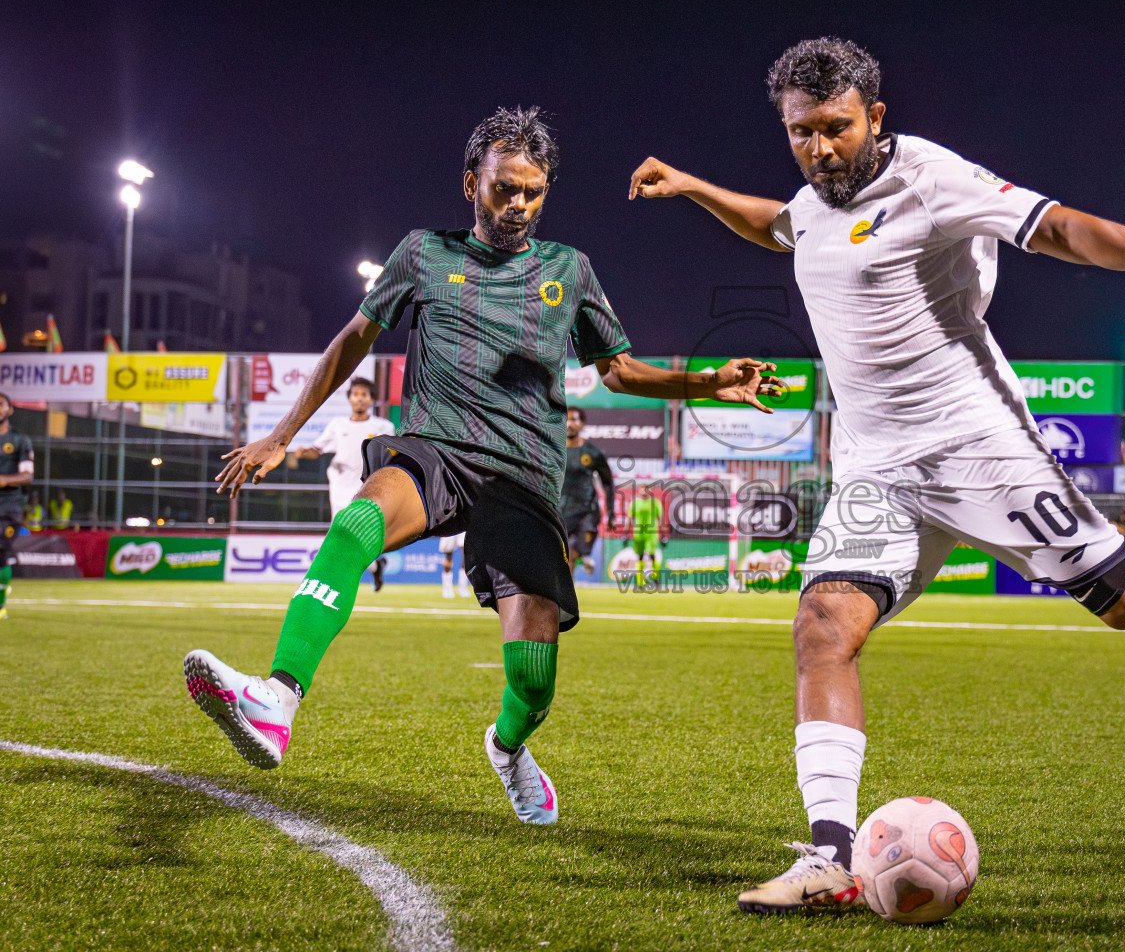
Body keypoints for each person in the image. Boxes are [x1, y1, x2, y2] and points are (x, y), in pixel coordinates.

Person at [629, 36, 1125, 912]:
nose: (820, 150)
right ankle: (829, 858)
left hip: (977, 447)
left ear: (875, 117)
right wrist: (695, 187)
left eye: (836, 129)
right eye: (800, 133)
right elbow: (778, 225)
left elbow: (1060, 229)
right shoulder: (813, 203)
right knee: (822, 626)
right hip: (875, 469)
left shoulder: (931, 179)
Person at [186, 107, 781, 827]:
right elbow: (352, 340)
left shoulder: (569, 269)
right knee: (356, 523)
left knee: (533, 679)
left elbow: (619, 371)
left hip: (524, 477)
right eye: (505, 189)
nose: (519, 204)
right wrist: (282, 434)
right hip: (435, 450)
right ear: (472, 184)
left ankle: (507, 747)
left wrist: (710, 383)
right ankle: (276, 700)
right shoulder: (422, 254)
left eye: (533, 191)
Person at [293, 376, 395, 590]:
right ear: (349, 398)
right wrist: (303, 452)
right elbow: (317, 450)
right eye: (356, 394)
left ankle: (374, 567)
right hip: (339, 487)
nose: (360, 399)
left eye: (364, 395)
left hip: (367, 488)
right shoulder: (338, 425)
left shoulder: (383, 426)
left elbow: (390, 456)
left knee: (361, 537)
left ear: (372, 400)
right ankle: (337, 581)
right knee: (339, 534)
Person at [560, 407, 613, 575]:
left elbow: (608, 483)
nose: (569, 424)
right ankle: (585, 558)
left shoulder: (593, 453)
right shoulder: (554, 451)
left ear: (582, 423)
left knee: (570, 554)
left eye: (574, 419)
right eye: (567, 419)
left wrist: (610, 513)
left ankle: (583, 555)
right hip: (561, 512)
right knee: (562, 558)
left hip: (586, 512)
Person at [0, 394, 34, 623]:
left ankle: (0, 604)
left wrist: (4, 480)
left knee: (0, 549)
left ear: (10, 410)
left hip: (8, 506)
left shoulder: (19, 440)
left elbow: (27, 476)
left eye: (0, 404)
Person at [628, 485, 664, 583]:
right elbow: (630, 518)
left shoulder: (655, 503)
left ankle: (656, 578)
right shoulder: (634, 503)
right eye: (642, 489)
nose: (644, 492)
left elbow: (660, 518)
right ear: (639, 491)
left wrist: (663, 533)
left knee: (652, 555)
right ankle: (640, 581)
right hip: (639, 533)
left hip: (651, 533)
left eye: (646, 489)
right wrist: (626, 532)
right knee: (639, 556)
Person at [440, 532, 471, 599]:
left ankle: (462, 587)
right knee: (448, 555)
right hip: (449, 527)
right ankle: (447, 588)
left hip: (463, 528)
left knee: (466, 554)